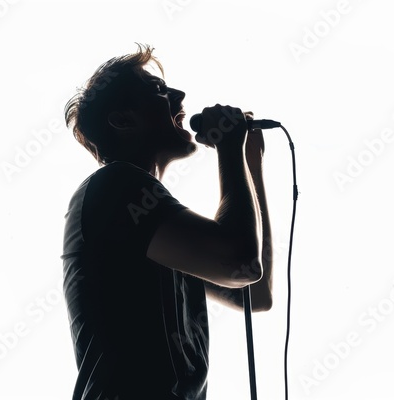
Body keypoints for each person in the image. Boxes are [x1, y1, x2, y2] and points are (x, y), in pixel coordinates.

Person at [61, 44, 274, 400]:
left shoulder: (157, 226)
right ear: (123, 120)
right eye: (158, 91)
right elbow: (241, 262)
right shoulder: (115, 186)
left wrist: (250, 161)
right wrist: (229, 151)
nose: (179, 94)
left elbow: (253, 292)